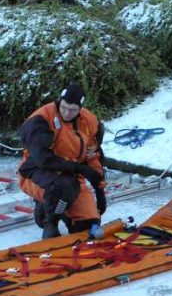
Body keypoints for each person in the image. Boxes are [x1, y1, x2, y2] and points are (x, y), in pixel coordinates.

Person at [18, 83, 107, 239]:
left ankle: (59, 205)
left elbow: (93, 155)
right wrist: (79, 168)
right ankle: (49, 221)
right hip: (36, 172)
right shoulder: (41, 120)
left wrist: (99, 190)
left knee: (88, 224)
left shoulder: (89, 122)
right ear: (59, 101)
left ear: (80, 109)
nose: (66, 113)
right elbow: (42, 159)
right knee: (64, 186)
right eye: (64, 107)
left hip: (71, 175)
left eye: (72, 110)